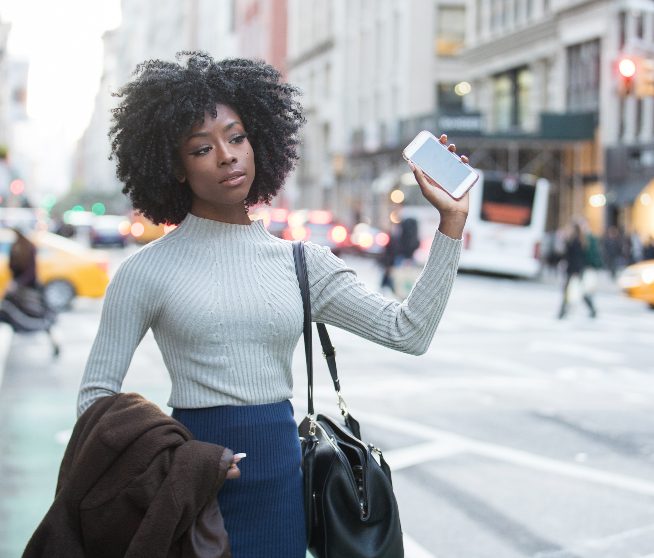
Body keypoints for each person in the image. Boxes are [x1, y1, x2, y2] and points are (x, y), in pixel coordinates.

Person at [76, 52, 469, 557]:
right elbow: (95, 399)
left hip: (282, 486)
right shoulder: (145, 271)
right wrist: (174, 462)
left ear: (257, 140)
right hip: (192, 491)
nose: (227, 156)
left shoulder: (301, 263)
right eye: (202, 148)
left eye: (236, 137)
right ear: (174, 165)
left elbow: (409, 332)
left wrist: (451, 223)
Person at [0, 228, 60, 356]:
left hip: (29, 289)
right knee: (8, 313)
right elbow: (11, 269)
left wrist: (17, 284)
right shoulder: (14, 248)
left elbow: (31, 273)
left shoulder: (29, 248)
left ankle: (54, 343)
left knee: (40, 317)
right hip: (18, 291)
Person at [557, 221, 597, 319]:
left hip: (574, 270)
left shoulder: (576, 241)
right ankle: (591, 309)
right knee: (577, 291)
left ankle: (562, 312)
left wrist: (575, 271)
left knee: (572, 291)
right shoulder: (577, 240)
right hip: (575, 269)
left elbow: (575, 257)